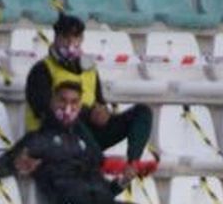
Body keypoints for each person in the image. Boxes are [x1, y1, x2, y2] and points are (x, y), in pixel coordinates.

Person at [0, 80, 165, 204]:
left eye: (74, 102)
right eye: (63, 100)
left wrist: (121, 183)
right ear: (52, 102)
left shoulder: (86, 141)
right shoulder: (39, 139)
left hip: (100, 203)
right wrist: (17, 163)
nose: (68, 106)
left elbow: (103, 187)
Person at [23, 14, 153, 162]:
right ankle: (98, 162)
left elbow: (99, 101)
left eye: (76, 37)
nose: (71, 42)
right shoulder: (42, 70)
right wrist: (85, 112)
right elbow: (45, 112)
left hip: (87, 135)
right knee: (71, 116)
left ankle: (133, 163)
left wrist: (102, 112)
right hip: (53, 137)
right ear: (56, 37)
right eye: (66, 37)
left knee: (142, 112)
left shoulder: (89, 69)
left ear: (82, 39)